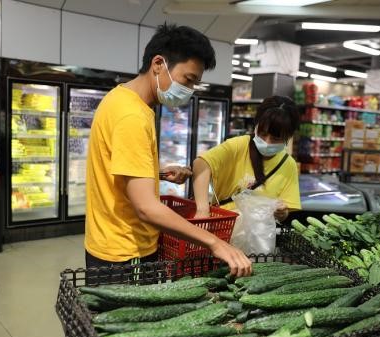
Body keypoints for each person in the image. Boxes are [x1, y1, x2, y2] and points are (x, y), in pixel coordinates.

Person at [84, 23, 252, 279]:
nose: (189, 91)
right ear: (159, 64)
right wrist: (215, 242)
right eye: (188, 80)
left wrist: (157, 173)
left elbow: (117, 169)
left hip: (108, 243)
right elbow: (146, 208)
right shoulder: (132, 116)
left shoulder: (119, 98)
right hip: (126, 254)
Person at [193, 95, 301, 222]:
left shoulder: (289, 165)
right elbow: (201, 163)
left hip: (258, 236)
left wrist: (281, 213)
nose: (267, 142)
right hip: (223, 226)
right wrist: (202, 209)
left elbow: (284, 213)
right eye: (263, 134)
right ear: (256, 127)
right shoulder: (239, 145)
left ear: (289, 137)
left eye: (276, 138)